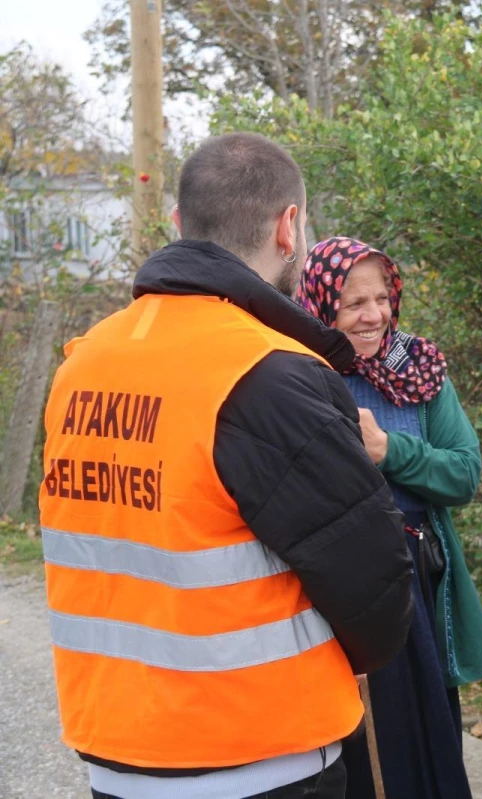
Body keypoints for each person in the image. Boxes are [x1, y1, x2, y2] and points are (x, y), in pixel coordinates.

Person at [37, 133, 414, 799]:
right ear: (289, 227)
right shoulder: (272, 375)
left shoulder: (82, 363)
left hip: (115, 751)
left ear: (179, 225)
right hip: (263, 756)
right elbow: (375, 588)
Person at [298, 236, 482, 798]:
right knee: (357, 744)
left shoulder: (420, 370)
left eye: (382, 298)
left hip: (417, 584)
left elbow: (463, 474)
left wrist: (391, 452)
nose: (374, 316)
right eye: (354, 303)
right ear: (319, 303)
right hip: (335, 592)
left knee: (425, 730)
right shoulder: (300, 374)